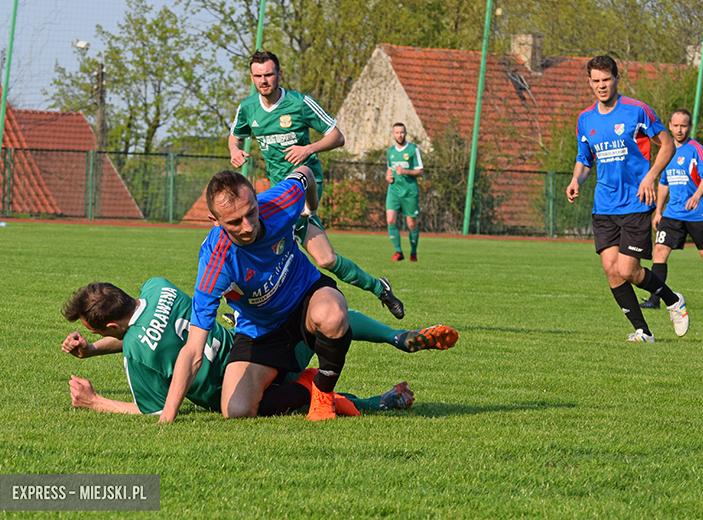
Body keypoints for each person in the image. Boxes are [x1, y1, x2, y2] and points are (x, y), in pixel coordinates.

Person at [61, 278, 457, 416]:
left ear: (112, 325)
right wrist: (94, 348)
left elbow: (154, 409)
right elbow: (148, 329)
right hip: (262, 346)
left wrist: (96, 401)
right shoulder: (158, 286)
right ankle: (395, 336)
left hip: (248, 385)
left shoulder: (136, 354)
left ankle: (378, 402)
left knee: (295, 397)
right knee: (327, 317)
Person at [157, 167, 355, 423]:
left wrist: (312, 210)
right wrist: (167, 419)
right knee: (237, 410)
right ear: (215, 220)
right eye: (234, 222)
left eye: (251, 212)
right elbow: (194, 349)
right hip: (260, 329)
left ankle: (324, 394)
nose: (248, 226)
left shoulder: (280, 203)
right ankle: (307, 384)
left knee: (333, 316)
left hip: (306, 295)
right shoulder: (215, 261)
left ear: (255, 197)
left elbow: (305, 173)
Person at [228, 50, 404, 320]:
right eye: (258, 76)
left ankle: (241, 308)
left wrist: (308, 148)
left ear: (279, 74)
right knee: (325, 260)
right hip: (278, 193)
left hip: (308, 184)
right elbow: (235, 137)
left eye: (269, 74)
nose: (264, 80)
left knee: (254, 235)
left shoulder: (300, 103)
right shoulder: (248, 107)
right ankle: (379, 288)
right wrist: (235, 152)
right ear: (252, 78)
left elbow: (338, 136)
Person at [566, 55, 689, 343]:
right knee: (611, 270)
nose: (601, 86)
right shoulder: (585, 119)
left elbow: (667, 144)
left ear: (616, 79)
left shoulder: (637, 110)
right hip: (604, 205)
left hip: (635, 202)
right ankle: (643, 331)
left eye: (606, 79)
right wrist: (576, 180)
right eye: (595, 81)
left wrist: (651, 177)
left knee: (628, 270)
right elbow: (584, 160)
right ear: (589, 82)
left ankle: (673, 301)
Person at [639, 108, 703, 312]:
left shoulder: (696, 149)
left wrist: (697, 196)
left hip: (696, 213)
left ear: (690, 127)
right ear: (670, 126)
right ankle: (654, 301)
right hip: (672, 213)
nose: (679, 129)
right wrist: (658, 211)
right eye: (675, 125)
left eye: (684, 125)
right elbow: (663, 183)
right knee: (659, 253)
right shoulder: (666, 150)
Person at [385, 122, 424, 262]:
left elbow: (420, 171)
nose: (399, 135)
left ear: (405, 133)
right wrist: (387, 176)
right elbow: (389, 169)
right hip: (394, 190)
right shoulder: (390, 152)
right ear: (393, 134)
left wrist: (406, 171)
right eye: (397, 132)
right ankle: (398, 252)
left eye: (402, 132)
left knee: (411, 224)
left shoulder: (413, 150)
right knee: (390, 220)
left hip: (409, 191)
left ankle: (413, 252)